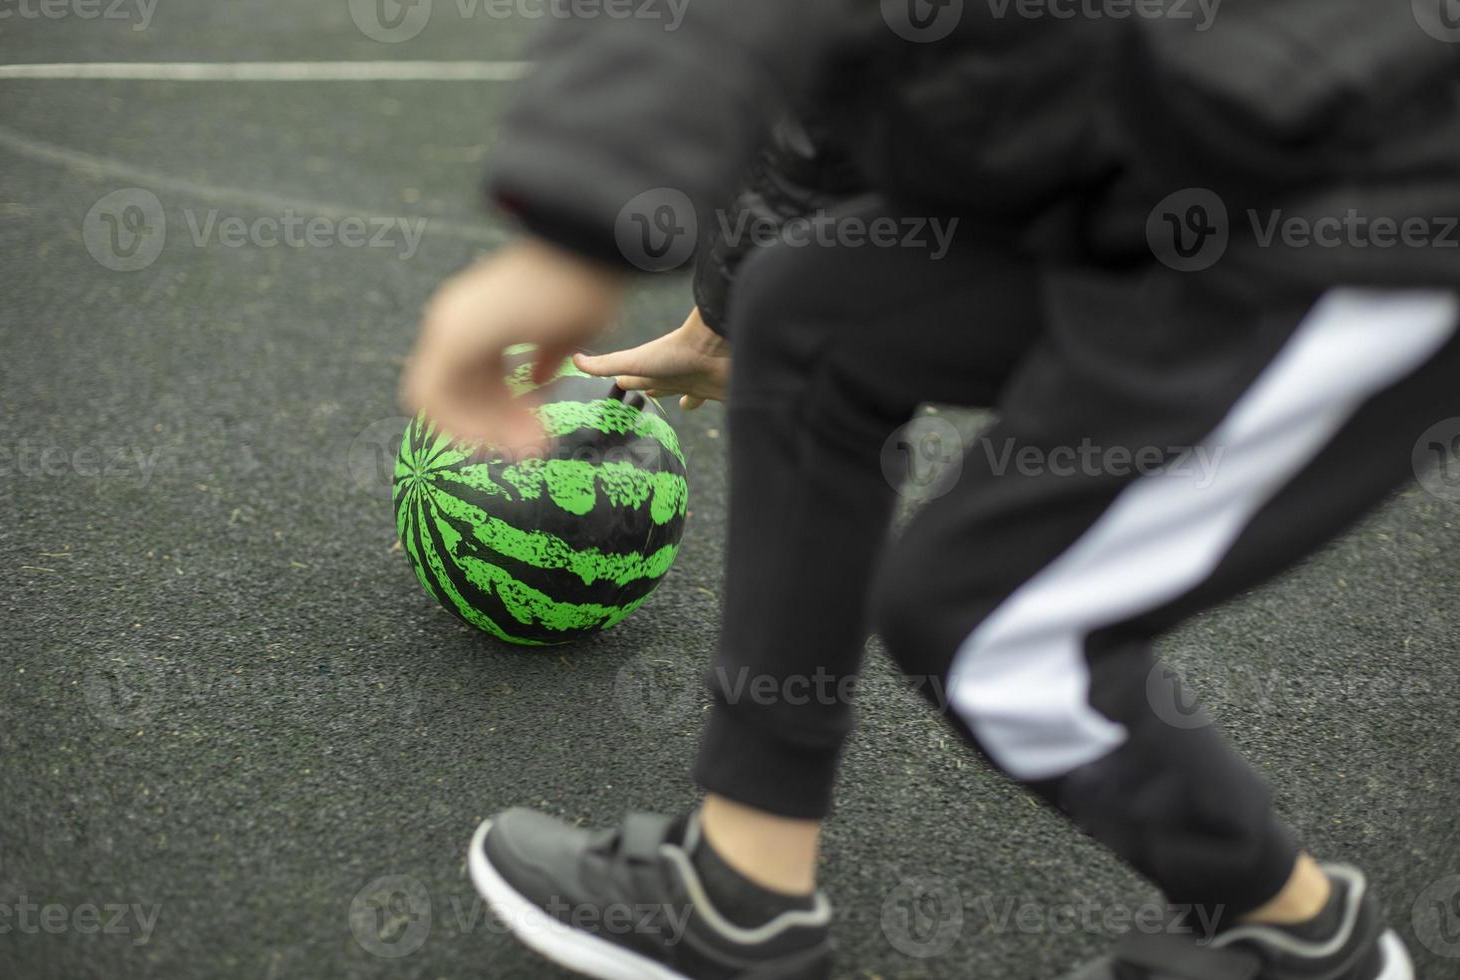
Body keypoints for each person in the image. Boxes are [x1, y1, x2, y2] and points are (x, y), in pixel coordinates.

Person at [402, 2, 1460, 977]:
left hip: (1356, 204)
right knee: (810, 319)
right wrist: (726, 315)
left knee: (983, 623)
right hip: (1169, 152)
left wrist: (574, 226)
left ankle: (1299, 932)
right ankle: (743, 887)